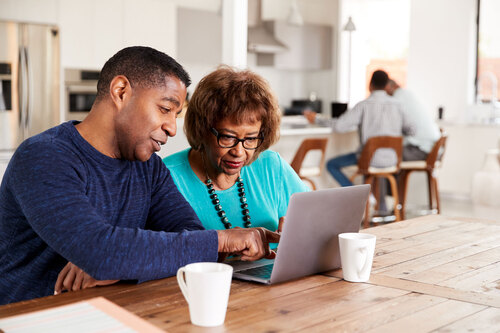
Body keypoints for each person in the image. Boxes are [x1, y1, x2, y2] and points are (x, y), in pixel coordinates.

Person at [0, 47, 279, 305]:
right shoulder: (43, 157)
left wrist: (123, 265)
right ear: (121, 92)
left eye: (176, 114)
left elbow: (192, 237)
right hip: (30, 317)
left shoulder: (148, 168)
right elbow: (100, 250)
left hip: (110, 312)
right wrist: (222, 239)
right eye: (165, 109)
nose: (172, 127)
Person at [163, 67, 309, 233]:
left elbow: (318, 219)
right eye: (228, 137)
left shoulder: (272, 166)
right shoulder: (166, 177)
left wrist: (299, 233)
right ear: (202, 128)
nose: (239, 152)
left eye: (251, 138)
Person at [304, 70, 415, 211]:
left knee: (332, 164)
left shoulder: (364, 105)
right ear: (387, 85)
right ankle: (382, 211)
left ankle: (358, 195)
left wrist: (317, 119)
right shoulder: (399, 105)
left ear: (370, 85)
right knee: (377, 170)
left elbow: (339, 126)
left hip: (369, 160)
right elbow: (412, 130)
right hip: (392, 161)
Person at [385, 79, 441, 161]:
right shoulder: (407, 94)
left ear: (389, 87)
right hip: (432, 148)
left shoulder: (397, 98)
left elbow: (392, 127)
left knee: (383, 157)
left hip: (422, 151)